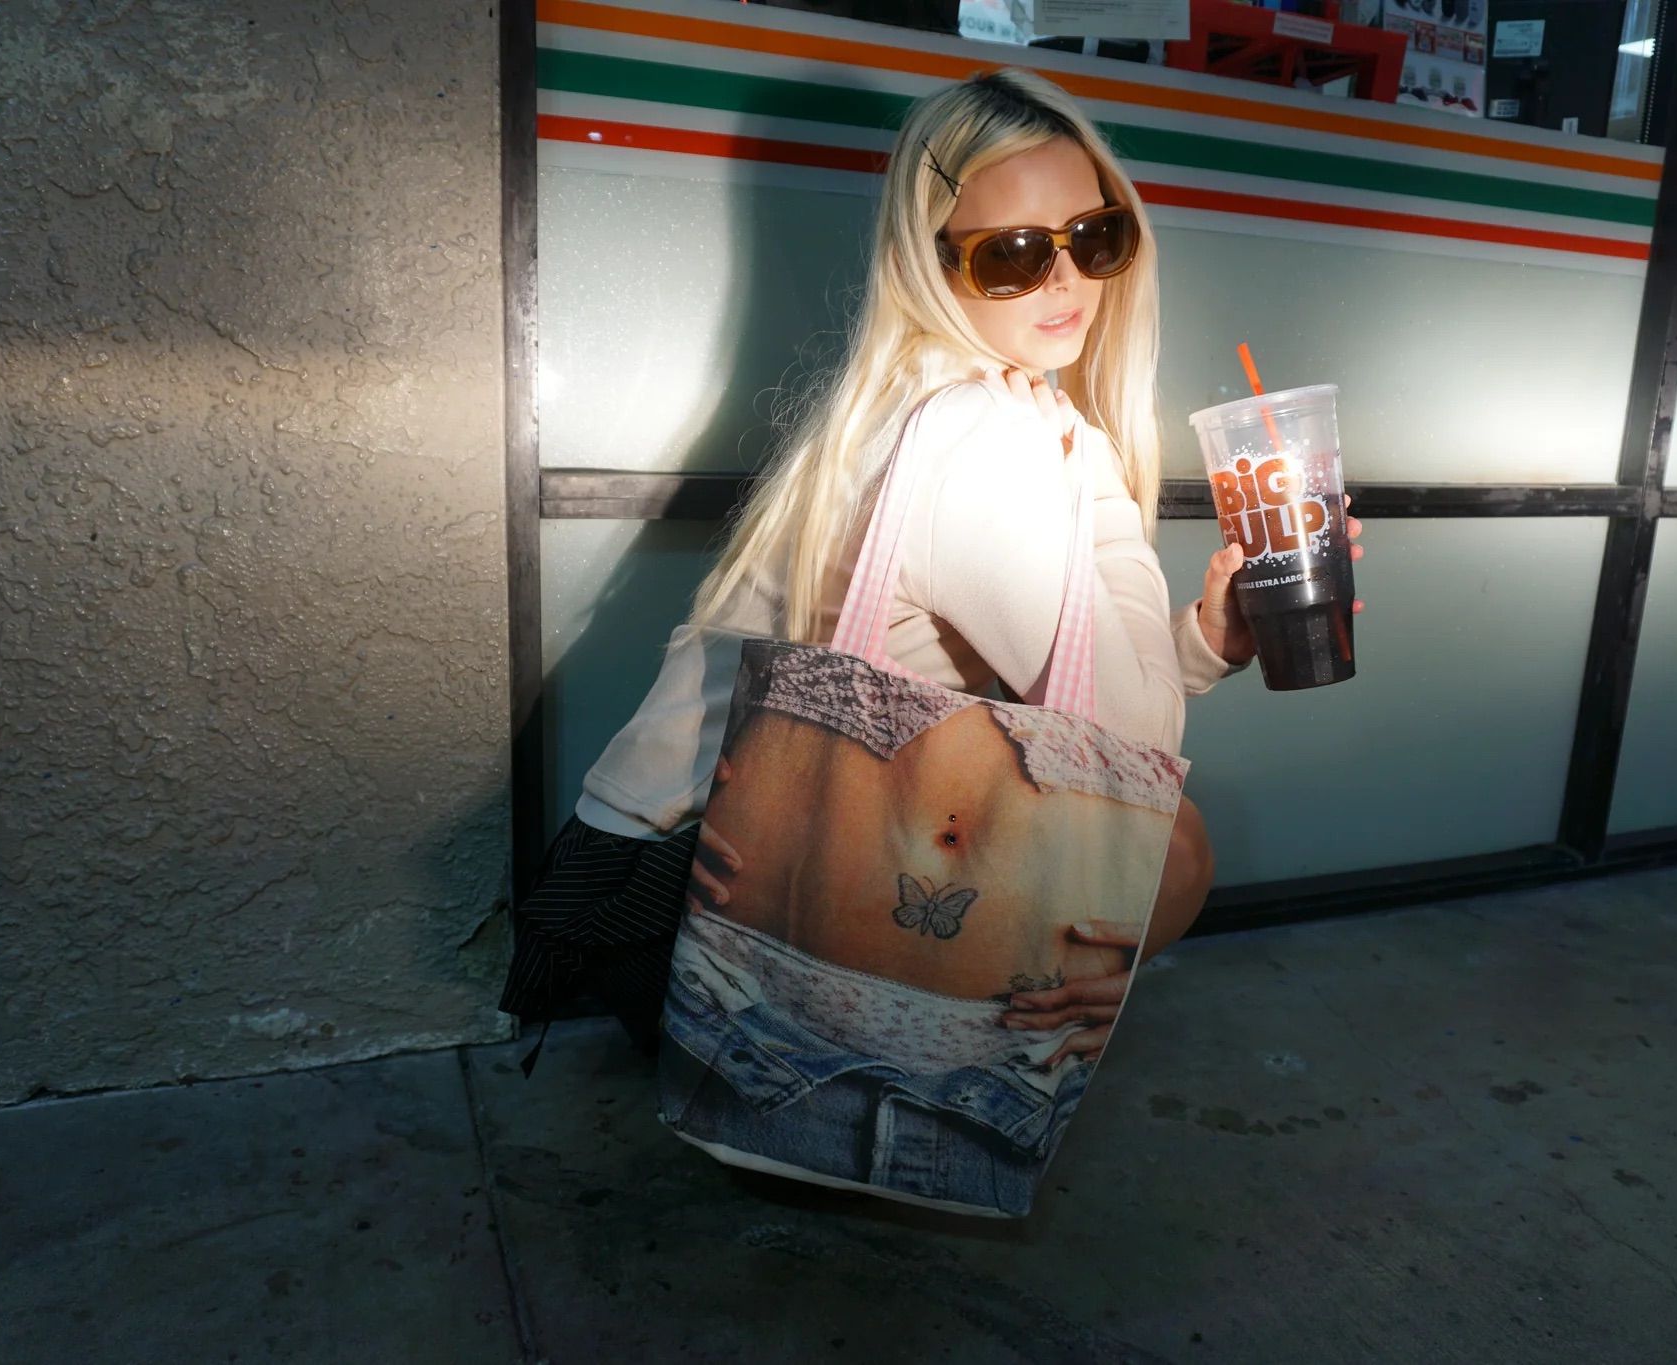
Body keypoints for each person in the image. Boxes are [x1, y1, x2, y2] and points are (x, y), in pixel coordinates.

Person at [499, 65, 1366, 1076]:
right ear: (931, 263)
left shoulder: (940, 395)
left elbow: (1074, 693)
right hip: (683, 893)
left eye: (1095, 237)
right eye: (1013, 255)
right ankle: (927, 1068)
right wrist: (1091, 472)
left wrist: (1204, 641)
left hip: (686, 850)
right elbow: (1125, 755)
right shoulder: (975, 433)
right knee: (1169, 847)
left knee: (1150, 845)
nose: (1067, 282)